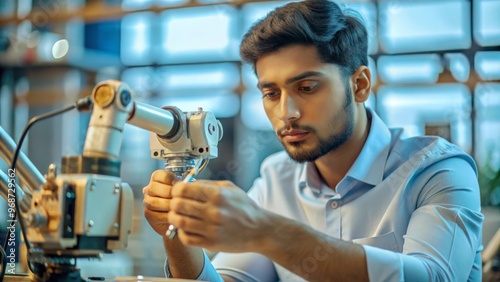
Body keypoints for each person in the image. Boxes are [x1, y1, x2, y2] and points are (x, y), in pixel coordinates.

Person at [142, 0, 483, 281]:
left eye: (306, 88)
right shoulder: (276, 178)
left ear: (360, 85)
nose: (286, 112)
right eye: (271, 93)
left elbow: (432, 276)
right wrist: (177, 234)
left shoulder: (438, 170)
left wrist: (268, 232)